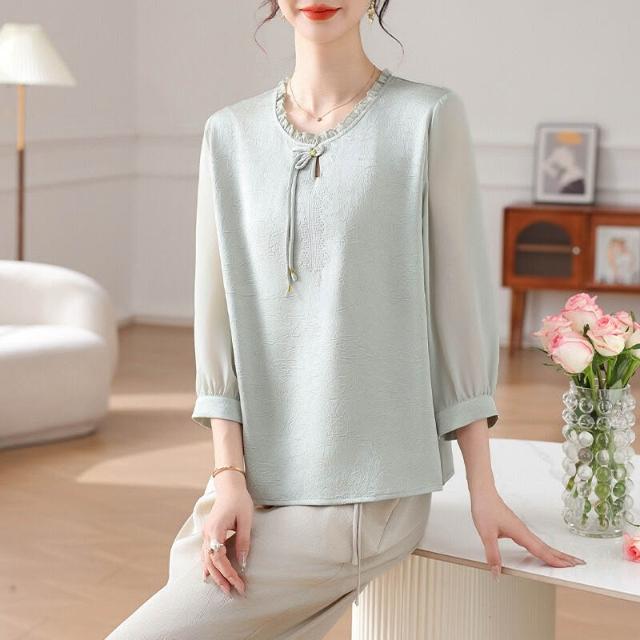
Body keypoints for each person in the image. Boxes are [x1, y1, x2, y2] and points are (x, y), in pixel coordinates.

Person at [105, 1, 586, 638]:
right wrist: (228, 477)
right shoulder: (229, 134)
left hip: (368, 493)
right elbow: (217, 320)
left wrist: (482, 488)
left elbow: (458, 312)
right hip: (252, 483)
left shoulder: (426, 118)